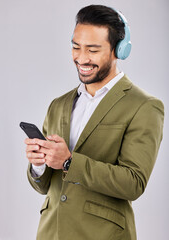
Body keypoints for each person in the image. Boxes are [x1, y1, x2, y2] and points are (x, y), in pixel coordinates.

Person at [24, 5, 164, 240]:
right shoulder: (58, 105)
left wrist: (69, 162)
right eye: (76, 47)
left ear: (118, 50)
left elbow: (134, 183)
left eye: (93, 49)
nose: (81, 58)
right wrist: (38, 164)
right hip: (51, 233)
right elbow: (45, 186)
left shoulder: (144, 106)